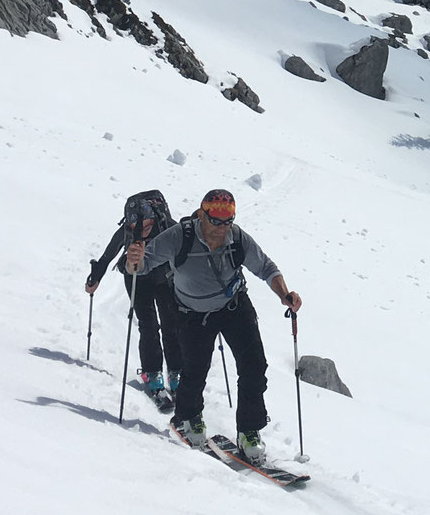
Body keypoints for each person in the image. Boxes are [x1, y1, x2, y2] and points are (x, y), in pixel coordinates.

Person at [128, 188, 301, 463]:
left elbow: (266, 267)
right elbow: (142, 266)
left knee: (254, 365)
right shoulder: (179, 236)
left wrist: (285, 294)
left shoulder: (238, 238)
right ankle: (188, 417)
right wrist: (133, 260)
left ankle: (249, 431)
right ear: (202, 214)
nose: (222, 227)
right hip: (192, 314)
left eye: (227, 220)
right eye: (216, 220)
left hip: (233, 306)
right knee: (194, 370)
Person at [86, 189, 183, 399]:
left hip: (165, 278)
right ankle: (152, 373)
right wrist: (95, 278)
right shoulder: (129, 230)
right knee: (148, 325)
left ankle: (176, 373)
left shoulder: (170, 228)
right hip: (137, 278)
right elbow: (108, 255)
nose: (141, 231)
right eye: (134, 226)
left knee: (172, 324)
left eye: (147, 225)